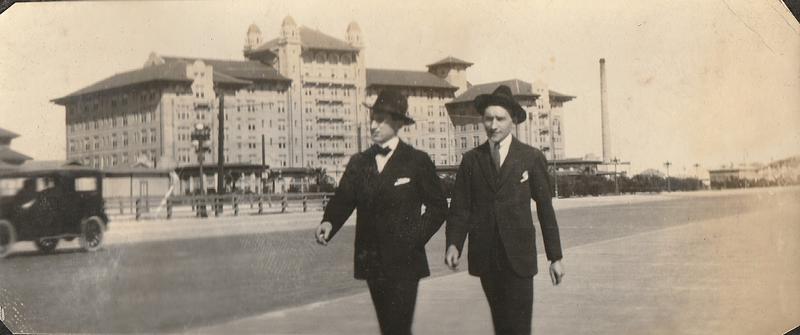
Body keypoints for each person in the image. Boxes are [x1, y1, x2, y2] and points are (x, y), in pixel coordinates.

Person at [315, 89, 448, 335]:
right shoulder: (359, 162)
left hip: (405, 261)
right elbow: (344, 198)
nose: (373, 125)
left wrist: (414, 238)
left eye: (380, 120)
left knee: (398, 327)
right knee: (388, 328)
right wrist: (329, 222)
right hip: (372, 260)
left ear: (397, 122)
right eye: (371, 119)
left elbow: (438, 207)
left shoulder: (417, 161)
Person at [444, 85, 566, 335]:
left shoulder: (530, 158)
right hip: (487, 258)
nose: (493, 125)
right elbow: (460, 208)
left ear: (513, 121)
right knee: (501, 326)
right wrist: (454, 243)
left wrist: (555, 257)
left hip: (519, 258)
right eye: (488, 118)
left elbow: (545, 209)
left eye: (500, 119)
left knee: (520, 328)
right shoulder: (471, 160)